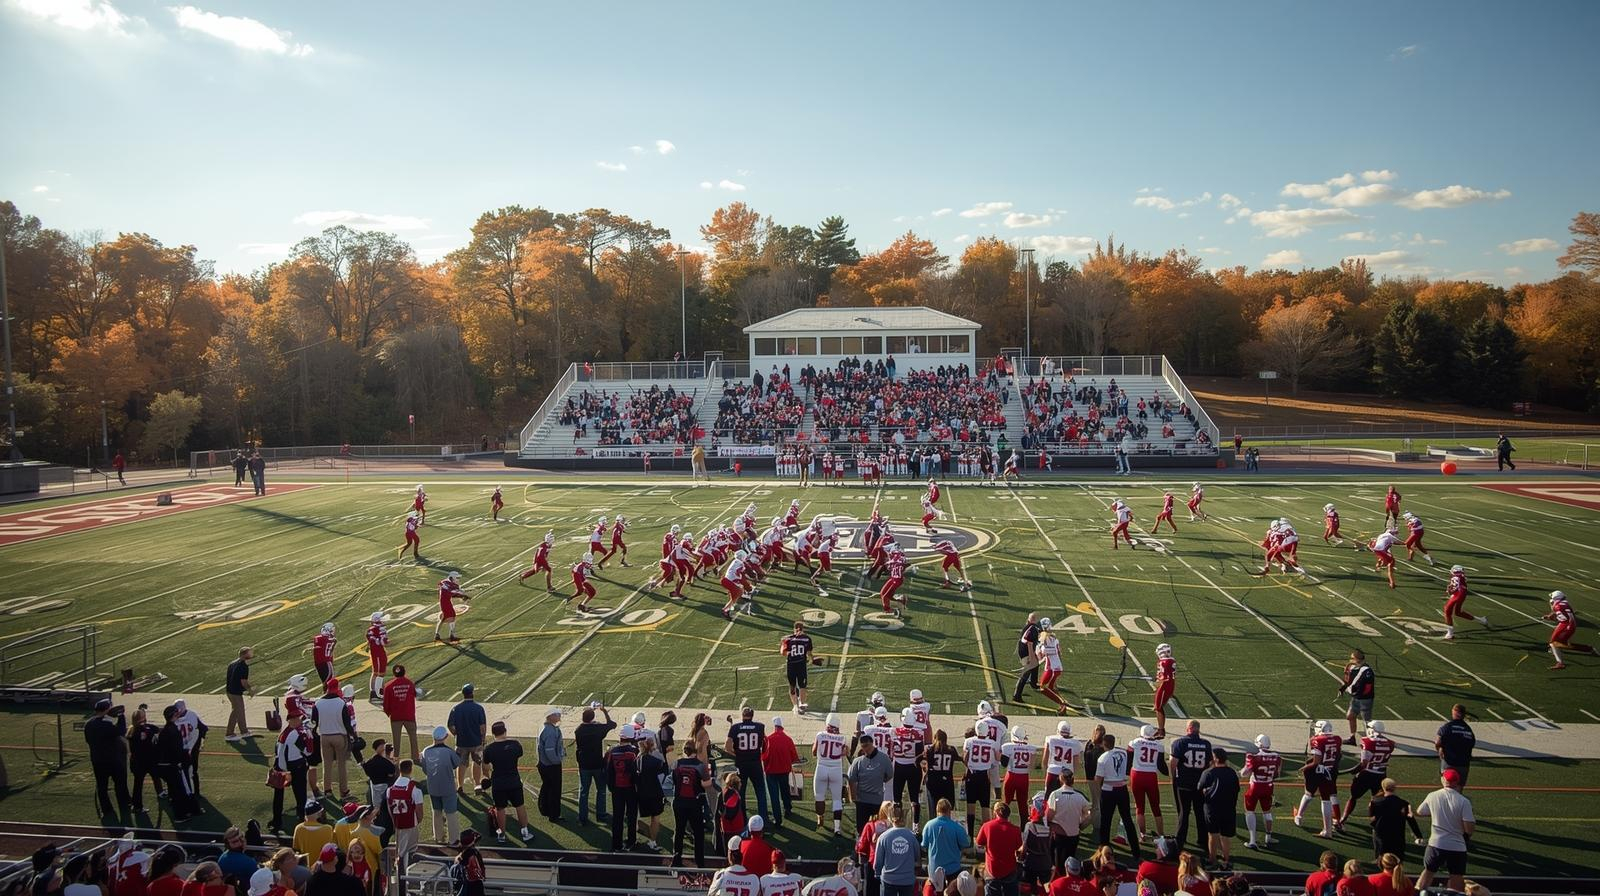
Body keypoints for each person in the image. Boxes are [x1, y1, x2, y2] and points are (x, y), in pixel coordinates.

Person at [1414, 769, 1474, 893]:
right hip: (1457, 846)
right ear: (1457, 782)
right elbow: (1469, 828)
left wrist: (1436, 812)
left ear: (1443, 780)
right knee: (1456, 877)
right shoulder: (1464, 801)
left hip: (1436, 843)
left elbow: (1420, 811)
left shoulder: (1433, 795)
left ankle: (1417, 893)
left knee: (1427, 873)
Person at [1093, 733, 1139, 862]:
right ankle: (1135, 849)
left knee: (1106, 820)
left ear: (1104, 744)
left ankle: (1103, 848)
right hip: (1122, 788)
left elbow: (1098, 778)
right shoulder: (1122, 753)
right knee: (1127, 819)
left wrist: (1100, 789)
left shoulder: (1103, 758)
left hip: (1109, 790)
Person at [482, 721, 531, 843]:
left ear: (493, 733)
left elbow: (485, 766)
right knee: (520, 806)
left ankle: (502, 835)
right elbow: (519, 754)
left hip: (498, 782)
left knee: (500, 809)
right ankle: (525, 833)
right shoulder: (515, 744)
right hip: (514, 780)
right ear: (505, 731)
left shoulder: (489, 749)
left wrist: (488, 775)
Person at [1168, 720, 1212, 854]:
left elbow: (1173, 762)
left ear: (1189, 728)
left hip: (1184, 784)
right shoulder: (1206, 744)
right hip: (1200, 784)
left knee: (1184, 813)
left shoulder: (1180, 743)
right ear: (1198, 729)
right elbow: (1210, 764)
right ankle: (1203, 840)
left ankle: (1180, 841)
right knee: (1200, 813)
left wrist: (1173, 777)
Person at [84, 698, 131, 817]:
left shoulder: (88, 724)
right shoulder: (106, 724)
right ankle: (124, 804)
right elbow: (121, 731)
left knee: (102, 786)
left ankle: (106, 809)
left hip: (97, 759)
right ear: (106, 709)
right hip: (113, 759)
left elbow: (88, 740)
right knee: (120, 783)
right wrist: (121, 716)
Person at [271, 706, 313, 834]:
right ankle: (303, 819)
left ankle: (276, 820)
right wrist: (309, 735)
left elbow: (279, 751)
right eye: (298, 718)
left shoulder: (284, 732)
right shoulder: (296, 734)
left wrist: (281, 768)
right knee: (300, 795)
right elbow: (308, 751)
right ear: (292, 719)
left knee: (278, 795)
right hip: (295, 766)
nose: (300, 720)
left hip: (281, 765)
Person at [1196, 749, 1240, 871]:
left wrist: (1206, 791)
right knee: (1225, 836)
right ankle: (1226, 860)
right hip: (1229, 807)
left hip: (1212, 808)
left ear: (1215, 759)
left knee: (1213, 834)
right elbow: (1236, 789)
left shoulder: (1209, 772)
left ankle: (1212, 860)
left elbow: (1200, 787)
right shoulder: (1232, 772)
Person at [574, 703, 616, 827]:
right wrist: (604, 711)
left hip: (584, 764)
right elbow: (612, 724)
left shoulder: (579, 730)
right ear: (592, 718)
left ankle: (582, 817)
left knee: (584, 792)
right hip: (597, 764)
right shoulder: (597, 728)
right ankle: (601, 814)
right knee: (601, 790)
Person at [671, 741, 712, 866]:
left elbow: (674, 780)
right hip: (694, 803)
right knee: (698, 833)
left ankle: (676, 858)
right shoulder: (700, 765)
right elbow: (707, 783)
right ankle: (699, 861)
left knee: (679, 830)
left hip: (679, 801)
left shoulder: (677, 763)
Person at [420, 727, 463, 845]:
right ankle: (453, 839)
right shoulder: (449, 751)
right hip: (448, 786)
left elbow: (425, 769)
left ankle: (438, 837)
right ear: (445, 737)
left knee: (436, 812)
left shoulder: (426, 751)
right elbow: (456, 763)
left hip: (433, 786)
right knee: (451, 814)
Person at [727, 707, 770, 822]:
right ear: (752, 716)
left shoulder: (735, 727)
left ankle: (742, 818)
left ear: (742, 715)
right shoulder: (760, 727)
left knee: (741, 791)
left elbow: (727, 747)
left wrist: (737, 754)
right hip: (755, 763)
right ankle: (764, 818)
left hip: (741, 764)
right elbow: (765, 744)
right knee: (760, 791)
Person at [156, 703, 198, 821]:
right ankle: (180, 815)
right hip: (171, 765)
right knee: (177, 791)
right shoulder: (172, 730)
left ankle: (183, 812)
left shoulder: (167, 729)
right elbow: (175, 749)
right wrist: (181, 759)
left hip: (167, 765)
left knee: (176, 790)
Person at [1045, 770, 1091, 875]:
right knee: (1070, 863)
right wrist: (1081, 825)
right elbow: (1089, 814)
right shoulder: (1080, 796)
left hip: (1058, 835)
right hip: (1074, 835)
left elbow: (1049, 815)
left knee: (1056, 864)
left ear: (1061, 779)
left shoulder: (1055, 794)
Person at [1366, 779, 1422, 864]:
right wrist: (1418, 835)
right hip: (1398, 836)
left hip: (1382, 836)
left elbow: (1371, 818)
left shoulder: (1375, 802)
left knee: (1382, 860)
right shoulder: (1404, 803)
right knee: (1398, 861)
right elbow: (1411, 820)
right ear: (1394, 788)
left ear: (1383, 788)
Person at [606, 724, 642, 851]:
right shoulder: (635, 751)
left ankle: (616, 843)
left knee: (617, 817)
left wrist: (612, 787)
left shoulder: (612, 751)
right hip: (631, 788)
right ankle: (631, 841)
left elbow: (609, 771)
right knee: (632, 816)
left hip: (617, 788)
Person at [848, 736, 894, 835]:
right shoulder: (858, 761)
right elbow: (852, 779)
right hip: (862, 800)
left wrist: (879, 780)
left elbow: (889, 775)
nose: (866, 749)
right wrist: (853, 797)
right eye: (863, 746)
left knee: (876, 828)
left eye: (867, 746)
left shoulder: (884, 758)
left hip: (876, 800)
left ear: (872, 743)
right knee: (861, 828)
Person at [922, 797, 971, 888]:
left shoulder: (928, 825)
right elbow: (966, 844)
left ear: (937, 810)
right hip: (953, 870)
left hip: (934, 870)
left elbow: (924, 845)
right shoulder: (957, 827)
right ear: (949, 811)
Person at [447, 684, 487, 794]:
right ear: (472, 693)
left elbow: (450, 725)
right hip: (476, 741)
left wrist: (456, 734)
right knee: (477, 762)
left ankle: (460, 786)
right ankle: (477, 785)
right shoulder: (478, 708)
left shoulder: (456, 708)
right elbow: (482, 727)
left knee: (461, 764)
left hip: (461, 742)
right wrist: (483, 739)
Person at [977, 802, 1023, 896]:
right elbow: (1018, 846)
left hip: (992, 869)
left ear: (997, 812)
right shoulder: (1015, 829)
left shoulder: (987, 826)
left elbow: (979, 842)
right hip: (1009, 869)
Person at [763, 717, 801, 828]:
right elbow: (794, 757)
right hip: (784, 770)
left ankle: (777, 819)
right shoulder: (788, 739)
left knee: (774, 796)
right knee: (785, 790)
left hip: (771, 771)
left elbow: (763, 757)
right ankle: (787, 809)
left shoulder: (768, 739)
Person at [873, 804, 919, 896]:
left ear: (890, 818)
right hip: (907, 879)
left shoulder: (883, 837)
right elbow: (917, 857)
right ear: (904, 818)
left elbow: (878, 861)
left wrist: (877, 873)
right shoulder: (912, 836)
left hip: (888, 879)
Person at [386, 759, 424, 868]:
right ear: (411, 769)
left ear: (400, 770)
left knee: (399, 848)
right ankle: (404, 871)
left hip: (398, 823)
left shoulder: (390, 790)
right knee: (409, 851)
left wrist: (395, 822)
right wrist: (417, 820)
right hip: (410, 824)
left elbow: (390, 809)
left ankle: (399, 867)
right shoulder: (414, 789)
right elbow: (419, 812)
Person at [637, 737, 669, 852]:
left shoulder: (637, 759)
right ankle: (652, 841)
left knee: (635, 816)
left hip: (640, 793)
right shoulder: (656, 761)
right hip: (655, 793)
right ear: (652, 746)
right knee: (655, 819)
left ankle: (636, 835)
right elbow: (666, 772)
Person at [381, 664, 418, 762]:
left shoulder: (388, 686)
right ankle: (415, 757)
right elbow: (414, 694)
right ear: (404, 672)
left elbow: (385, 704)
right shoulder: (410, 683)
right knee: (413, 737)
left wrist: (389, 713)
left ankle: (396, 757)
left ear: (394, 673)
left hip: (395, 716)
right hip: (409, 715)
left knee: (396, 738)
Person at [1434, 704, 1474, 786]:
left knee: (1447, 786)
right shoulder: (1468, 729)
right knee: (1459, 787)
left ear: (1454, 713)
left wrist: (1439, 750)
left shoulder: (1446, 727)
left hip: (1449, 762)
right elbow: (1471, 744)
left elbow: (1437, 742)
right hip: (1463, 764)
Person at [1340, 651, 1375, 744]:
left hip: (1365, 699)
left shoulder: (1367, 671)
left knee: (1366, 721)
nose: (1350, 660)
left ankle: (1371, 741)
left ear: (1357, 659)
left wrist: (1356, 693)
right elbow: (1348, 681)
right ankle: (1352, 737)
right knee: (1350, 716)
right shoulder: (1353, 668)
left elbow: (1367, 687)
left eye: (1352, 658)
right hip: (1356, 698)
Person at [537, 708, 566, 822]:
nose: (559, 716)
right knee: (554, 790)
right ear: (551, 717)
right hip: (551, 765)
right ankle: (554, 815)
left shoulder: (545, 728)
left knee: (546, 787)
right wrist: (557, 760)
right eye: (557, 714)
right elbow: (549, 750)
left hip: (544, 764)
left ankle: (544, 809)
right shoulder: (550, 731)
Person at [781, 621, 816, 713]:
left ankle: (795, 706)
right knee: (802, 685)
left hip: (791, 664)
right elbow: (809, 653)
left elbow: (783, 652)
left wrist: (789, 651)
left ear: (794, 629)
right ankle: (801, 703)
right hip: (801, 664)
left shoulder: (788, 639)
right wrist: (812, 659)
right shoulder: (807, 639)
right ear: (803, 629)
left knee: (792, 686)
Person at [224, 648, 255, 742]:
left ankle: (244, 731)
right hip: (235, 692)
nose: (252, 655)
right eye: (250, 653)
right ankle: (229, 733)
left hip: (229, 691)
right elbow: (243, 682)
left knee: (239, 711)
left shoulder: (232, 663)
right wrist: (250, 690)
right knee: (236, 711)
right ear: (244, 654)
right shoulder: (243, 666)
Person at [1012, 613, 1042, 701]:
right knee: (1026, 673)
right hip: (1026, 653)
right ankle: (1017, 695)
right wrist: (1031, 656)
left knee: (1035, 665)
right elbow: (1028, 642)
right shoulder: (1033, 629)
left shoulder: (1029, 626)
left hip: (1023, 651)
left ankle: (1033, 683)